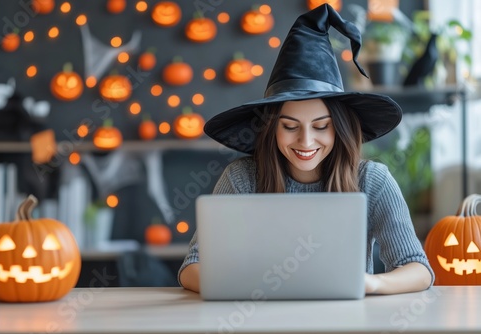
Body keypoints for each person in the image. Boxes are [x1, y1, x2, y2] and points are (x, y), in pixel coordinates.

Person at [178, 4, 434, 295]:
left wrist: (370, 282)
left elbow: (418, 269)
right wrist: (251, 285)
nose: (306, 141)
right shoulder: (242, 178)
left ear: (340, 127)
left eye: (321, 126)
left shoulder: (373, 181)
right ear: (271, 128)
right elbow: (192, 267)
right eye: (289, 126)